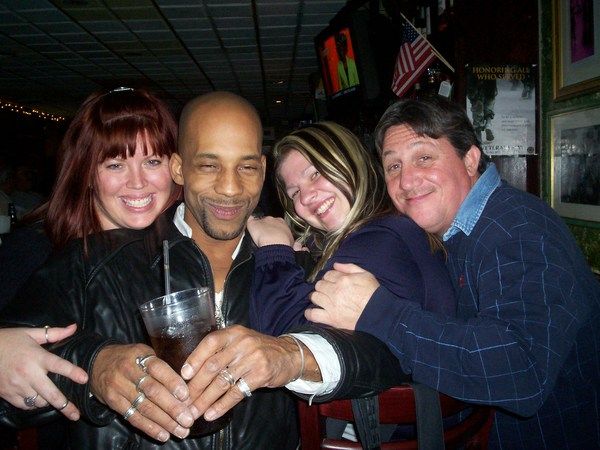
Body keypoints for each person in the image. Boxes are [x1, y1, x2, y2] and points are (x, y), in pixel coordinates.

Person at [0, 92, 401, 448]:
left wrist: (291, 357)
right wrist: (94, 366)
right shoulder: (95, 261)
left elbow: (386, 359)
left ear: (263, 170)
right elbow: (9, 399)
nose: (230, 188)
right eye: (209, 166)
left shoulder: (295, 263)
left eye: (246, 168)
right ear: (178, 169)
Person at [307, 96, 600, 449]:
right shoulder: (454, 233)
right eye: (394, 166)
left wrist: (378, 313)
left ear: (470, 159)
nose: (406, 181)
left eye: (424, 158)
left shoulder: (518, 228)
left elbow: (521, 371)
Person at [0, 86, 181, 424]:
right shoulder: (34, 249)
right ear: (85, 173)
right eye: (115, 165)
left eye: (152, 161)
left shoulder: (178, 247)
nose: (138, 182)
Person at [247, 121, 455, 338]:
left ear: (349, 162)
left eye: (315, 174)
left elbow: (289, 340)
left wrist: (275, 251)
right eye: (295, 193)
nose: (306, 197)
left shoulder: (377, 241)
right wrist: (301, 265)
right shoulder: (384, 230)